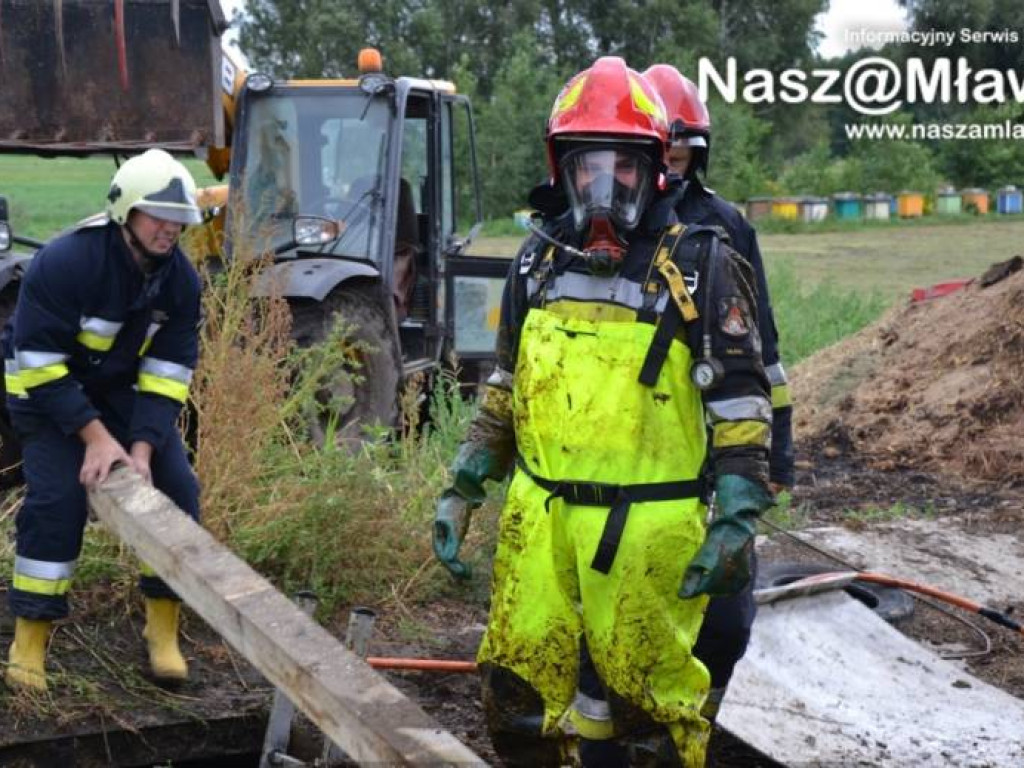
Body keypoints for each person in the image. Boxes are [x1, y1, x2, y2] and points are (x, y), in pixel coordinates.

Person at [431, 57, 773, 766]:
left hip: (650, 530)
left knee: (650, 718)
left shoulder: (702, 264)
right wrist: (463, 484)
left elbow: (741, 403)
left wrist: (737, 518)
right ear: (563, 169)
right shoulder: (536, 263)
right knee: (517, 701)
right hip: (539, 524)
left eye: (626, 165)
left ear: (657, 170)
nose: (606, 186)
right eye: (590, 165)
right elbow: (504, 388)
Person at [3, 148, 203, 691]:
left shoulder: (181, 281)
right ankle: (29, 641)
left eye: (179, 218)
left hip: (114, 393)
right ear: (125, 213)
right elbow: (38, 361)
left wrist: (140, 449)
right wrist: (93, 438)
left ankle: (162, 632)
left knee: (178, 490)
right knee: (57, 500)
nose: (171, 228)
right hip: (43, 392)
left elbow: (167, 373)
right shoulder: (66, 262)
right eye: (158, 215)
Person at [642, 63, 795, 722]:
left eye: (685, 148)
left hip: (718, 460)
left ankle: (695, 722)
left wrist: (775, 463)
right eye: (663, 147)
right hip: (639, 460)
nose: (674, 161)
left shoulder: (727, 226)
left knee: (727, 622)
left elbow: (765, 358)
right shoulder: (608, 232)